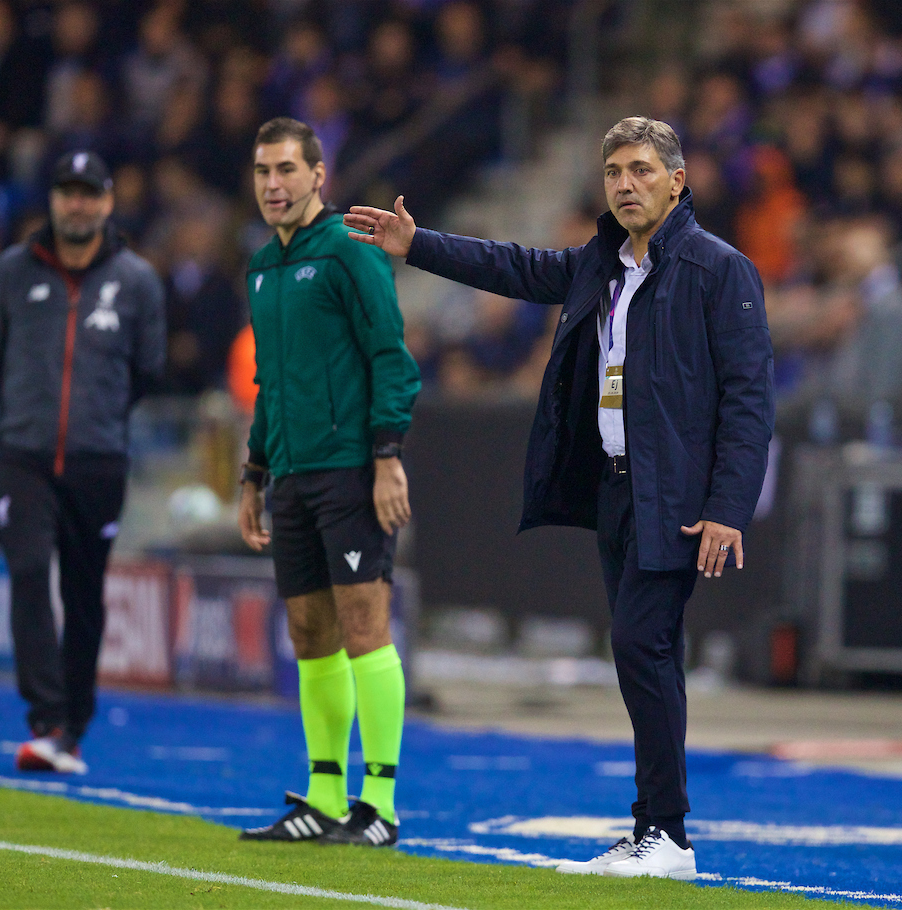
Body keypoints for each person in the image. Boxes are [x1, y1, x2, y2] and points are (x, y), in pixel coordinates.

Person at [345, 116, 775, 879]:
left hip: (671, 496)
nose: (626, 184)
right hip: (615, 489)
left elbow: (749, 399)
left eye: (642, 170)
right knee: (649, 653)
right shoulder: (602, 263)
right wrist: (420, 246)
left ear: (678, 181)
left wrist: (727, 508)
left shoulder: (719, 269)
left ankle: (668, 834)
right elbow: (515, 267)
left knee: (641, 645)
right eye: (614, 172)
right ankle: (654, 827)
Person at [236, 118, 420, 847]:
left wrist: (386, 457)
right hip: (291, 474)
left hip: (350, 470)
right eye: (262, 172)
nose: (273, 185)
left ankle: (377, 805)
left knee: (363, 627)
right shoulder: (261, 268)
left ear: (319, 175)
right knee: (308, 634)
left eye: (286, 170)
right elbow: (268, 384)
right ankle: (322, 795)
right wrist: (254, 475)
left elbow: (391, 356)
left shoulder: (348, 251)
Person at [0, 150, 166, 773]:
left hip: (96, 460)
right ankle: (47, 718)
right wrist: (31, 416)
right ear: (52, 200)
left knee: (84, 594)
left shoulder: (136, 280)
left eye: (88, 193)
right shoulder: (10, 272)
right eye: (67, 192)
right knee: (29, 571)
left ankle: (73, 726)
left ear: (108, 202)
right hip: (23, 456)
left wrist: (96, 421)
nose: (77, 204)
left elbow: (146, 370)